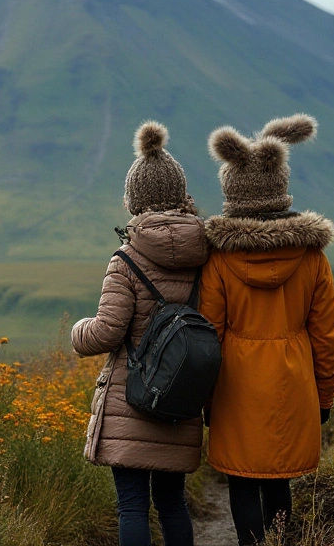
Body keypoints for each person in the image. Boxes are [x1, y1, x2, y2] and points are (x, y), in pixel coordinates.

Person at [199, 114, 334, 545]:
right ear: (280, 186)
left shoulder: (219, 260)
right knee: (279, 476)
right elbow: (325, 335)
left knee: (242, 479)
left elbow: (209, 334)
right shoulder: (313, 257)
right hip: (294, 381)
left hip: (235, 385)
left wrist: (206, 399)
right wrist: (325, 394)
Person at [71, 121, 210, 546]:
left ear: (134, 199)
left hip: (133, 398)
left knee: (132, 506)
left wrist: (78, 332)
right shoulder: (207, 256)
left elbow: (107, 333)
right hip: (182, 398)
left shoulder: (126, 259)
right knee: (172, 503)